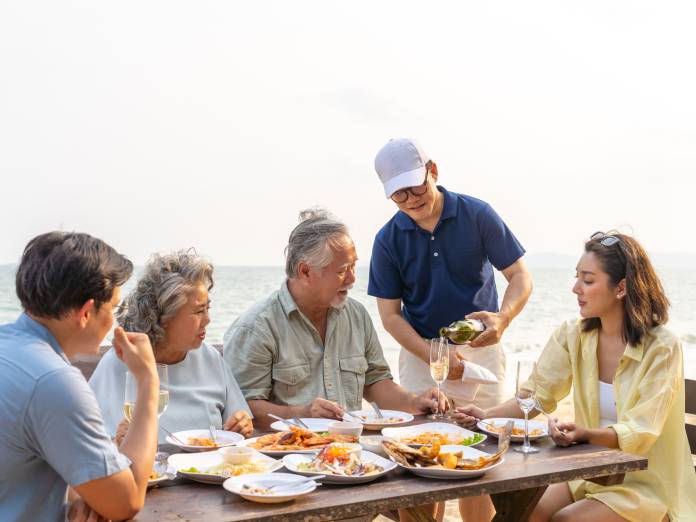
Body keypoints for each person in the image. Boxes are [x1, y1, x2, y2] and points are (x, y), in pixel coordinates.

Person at [454, 231, 696, 522]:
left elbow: (642, 431)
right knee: (524, 512)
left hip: (645, 484)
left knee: (567, 520)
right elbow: (535, 396)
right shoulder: (574, 335)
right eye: (577, 276)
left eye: (588, 280)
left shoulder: (662, 347)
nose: (575, 288)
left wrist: (584, 434)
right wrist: (485, 415)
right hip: (588, 473)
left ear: (621, 288)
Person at [368, 137, 533, 521]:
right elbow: (391, 317)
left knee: (481, 459)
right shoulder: (387, 239)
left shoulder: (477, 214)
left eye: (417, 187)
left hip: (484, 349)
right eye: (399, 195)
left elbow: (520, 277)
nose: (411, 199)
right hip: (421, 355)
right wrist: (438, 357)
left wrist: (503, 319)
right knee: (421, 461)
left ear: (434, 171)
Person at [224, 208, 448, 429]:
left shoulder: (357, 315)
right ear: (305, 272)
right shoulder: (256, 327)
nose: (352, 278)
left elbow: (376, 383)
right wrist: (302, 415)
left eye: (353, 266)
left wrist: (414, 402)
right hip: (285, 456)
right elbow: (241, 410)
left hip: (350, 453)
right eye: (342, 270)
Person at [0, 232, 159, 522]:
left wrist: (78, 493)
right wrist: (148, 381)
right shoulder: (54, 382)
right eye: (114, 308)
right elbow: (127, 501)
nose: (115, 321)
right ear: (87, 312)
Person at [90, 251, 253, 442]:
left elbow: (240, 421)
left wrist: (242, 424)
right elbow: (86, 445)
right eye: (199, 311)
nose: (208, 320)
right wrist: (116, 443)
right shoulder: (118, 363)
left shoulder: (210, 358)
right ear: (164, 316)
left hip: (208, 469)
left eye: (208, 308)